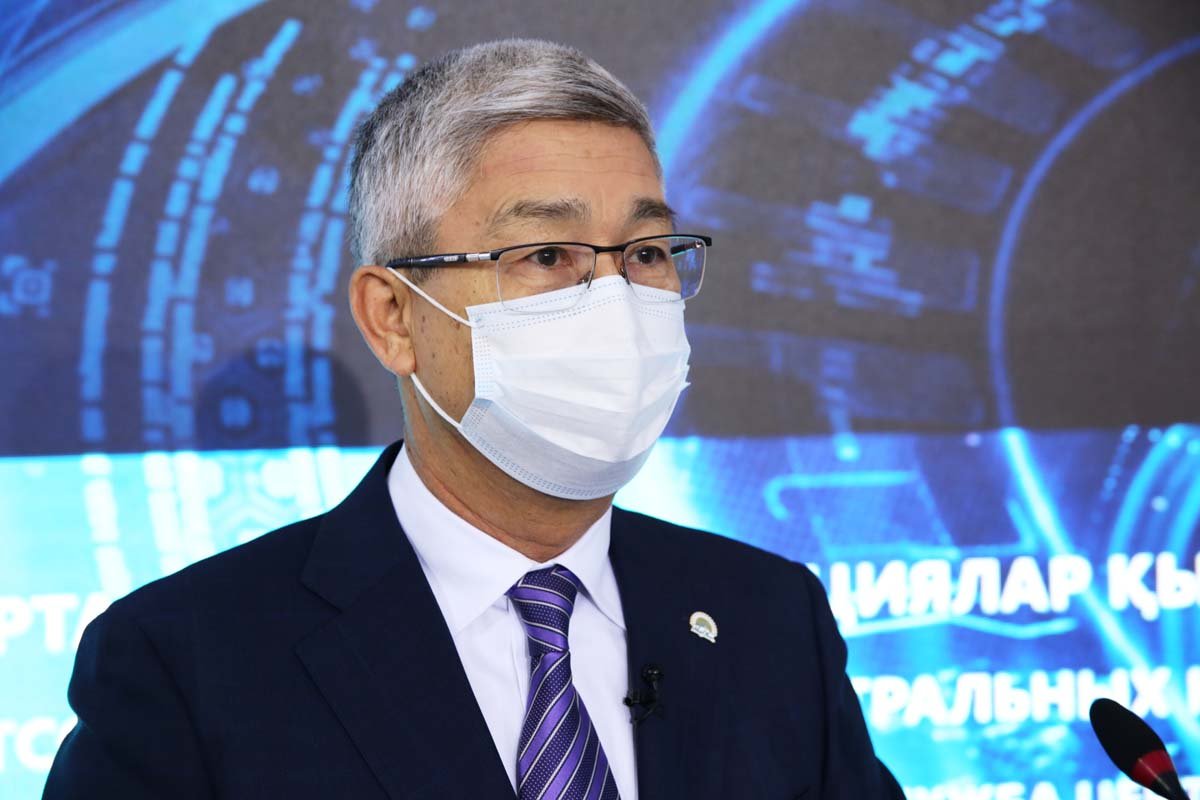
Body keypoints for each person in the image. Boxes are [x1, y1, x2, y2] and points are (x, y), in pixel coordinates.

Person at [44, 39, 904, 799]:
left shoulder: (768, 617)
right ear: (393, 317)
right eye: (546, 255)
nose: (615, 298)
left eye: (645, 252)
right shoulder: (187, 661)